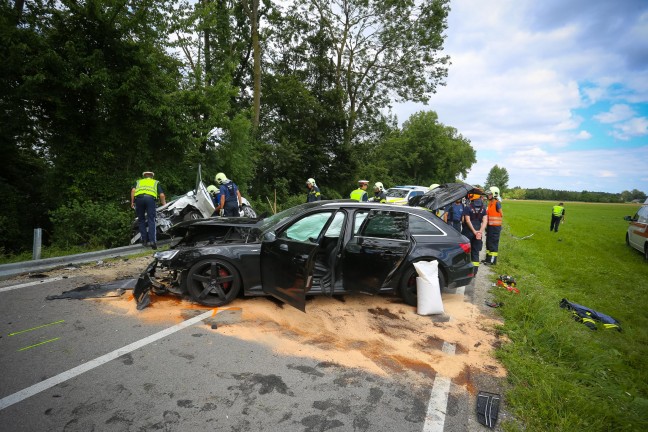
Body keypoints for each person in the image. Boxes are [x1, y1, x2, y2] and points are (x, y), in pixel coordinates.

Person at [131, 171, 166, 249]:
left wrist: (132, 202)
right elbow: (162, 195)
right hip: (150, 200)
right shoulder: (155, 182)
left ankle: (144, 241)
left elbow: (133, 191)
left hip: (139, 199)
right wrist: (164, 205)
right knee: (151, 220)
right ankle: (152, 241)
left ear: (144, 176)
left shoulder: (139, 182)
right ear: (152, 177)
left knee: (141, 220)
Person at [462, 192, 487, 274]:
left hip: (468, 232)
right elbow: (485, 221)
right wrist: (480, 231)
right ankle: (474, 272)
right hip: (478, 233)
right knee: (475, 252)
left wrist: (473, 231)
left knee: (466, 251)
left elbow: (467, 220)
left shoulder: (467, 207)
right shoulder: (483, 208)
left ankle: (466, 271)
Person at [483, 188, 503, 265]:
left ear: (494, 194)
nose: (488, 195)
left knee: (493, 244)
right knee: (488, 243)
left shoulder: (497, 203)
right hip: (490, 226)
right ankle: (488, 259)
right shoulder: (490, 203)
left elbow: (501, 214)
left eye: (490, 194)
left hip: (495, 227)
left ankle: (492, 261)